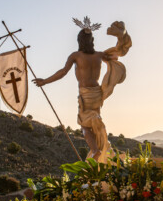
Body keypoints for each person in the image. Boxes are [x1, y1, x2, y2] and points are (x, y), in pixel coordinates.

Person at [33, 18, 131, 162]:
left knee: (85, 127)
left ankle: (96, 151)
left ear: (79, 41)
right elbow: (115, 55)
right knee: (95, 122)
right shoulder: (99, 55)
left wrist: (45, 81)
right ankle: (100, 150)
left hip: (85, 95)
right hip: (97, 94)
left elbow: (62, 72)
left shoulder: (76, 56)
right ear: (92, 40)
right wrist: (119, 39)